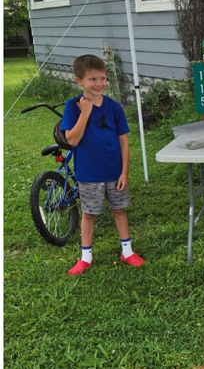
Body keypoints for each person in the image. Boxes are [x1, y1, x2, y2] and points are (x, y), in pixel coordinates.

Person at [60, 54, 144, 275]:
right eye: (93, 79)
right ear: (79, 81)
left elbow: (123, 141)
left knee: (119, 210)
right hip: (89, 174)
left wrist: (124, 172)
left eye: (103, 78)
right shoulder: (72, 107)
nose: (99, 84)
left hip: (114, 172)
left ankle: (127, 251)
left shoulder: (114, 108)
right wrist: (85, 113)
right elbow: (72, 140)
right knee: (89, 214)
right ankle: (85, 257)